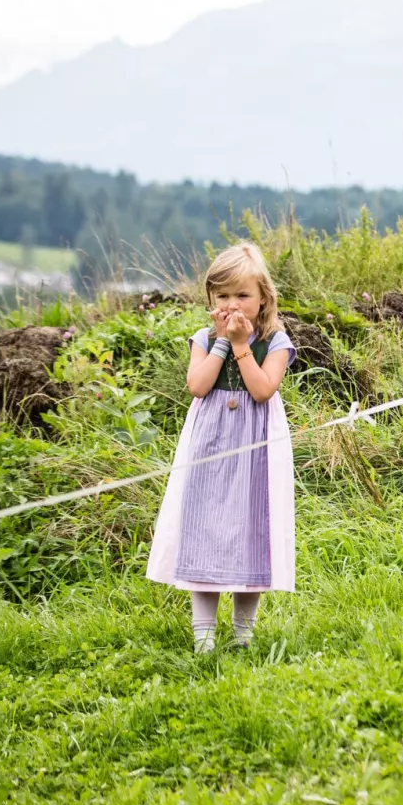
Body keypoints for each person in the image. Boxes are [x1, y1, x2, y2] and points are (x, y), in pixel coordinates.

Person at [146, 242, 297, 652]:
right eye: (224, 296)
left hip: (255, 446)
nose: (234, 305)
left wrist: (243, 346)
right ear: (211, 299)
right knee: (205, 528)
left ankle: (243, 637)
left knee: (251, 529)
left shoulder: (276, 340)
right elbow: (197, 386)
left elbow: (263, 390)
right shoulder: (203, 338)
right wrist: (221, 343)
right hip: (209, 443)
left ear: (263, 297)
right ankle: (204, 638)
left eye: (243, 296)